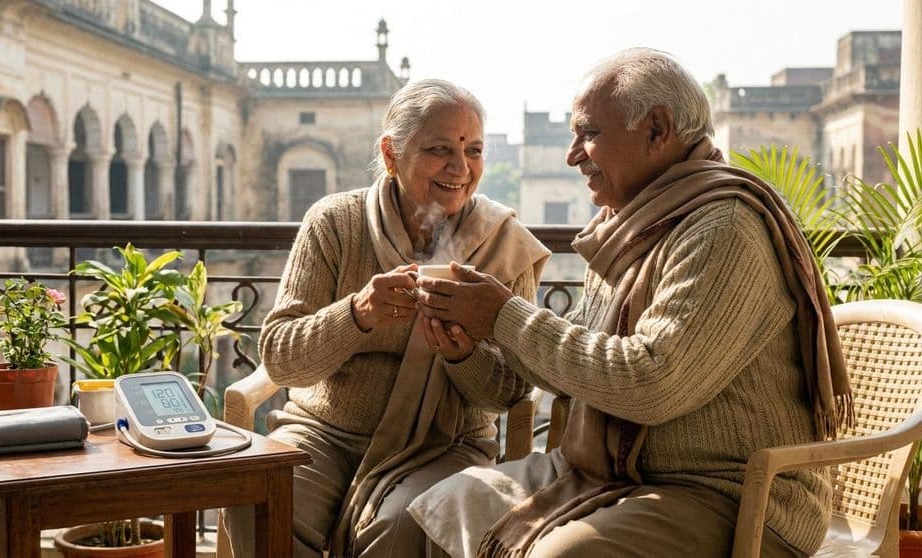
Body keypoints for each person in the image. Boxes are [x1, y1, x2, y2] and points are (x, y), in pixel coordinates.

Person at [408, 49, 852, 558]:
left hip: (729, 494)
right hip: (619, 473)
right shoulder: (632, 227)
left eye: (589, 134)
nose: (573, 155)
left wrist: (505, 316)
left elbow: (651, 384)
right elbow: (568, 368)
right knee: (440, 504)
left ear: (657, 131)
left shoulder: (724, 228)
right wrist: (474, 335)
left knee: (561, 556)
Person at [222, 79, 550, 558]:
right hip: (323, 434)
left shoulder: (502, 243)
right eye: (440, 149)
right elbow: (280, 357)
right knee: (259, 499)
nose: (460, 168)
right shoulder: (335, 223)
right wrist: (356, 315)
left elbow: (508, 392)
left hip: (445, 445)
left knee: (401, 525)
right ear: (392, 153)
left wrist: (462, 353)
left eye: (473, 150)